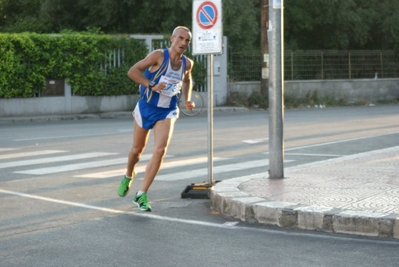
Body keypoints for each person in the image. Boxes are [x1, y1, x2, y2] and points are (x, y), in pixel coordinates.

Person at [117, 26, 195, 212]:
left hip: (167, 110)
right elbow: (133, 71)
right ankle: (129, 175)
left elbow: (187, 79)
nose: (183, 43)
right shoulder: (159, 56)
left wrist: (187, 98)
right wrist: (151, 84)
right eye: (181, 38)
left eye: (187, 41)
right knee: (137, 150)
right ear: (172, 39)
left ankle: (141, 194)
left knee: (160, 150)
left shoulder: (187, 63)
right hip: (147, 107)